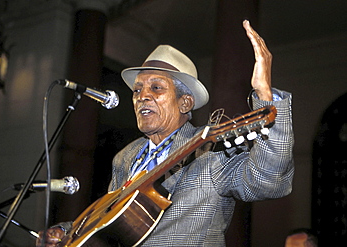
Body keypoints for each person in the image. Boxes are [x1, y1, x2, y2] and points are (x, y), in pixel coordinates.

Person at [37, 20, 294, 246]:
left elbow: (267, 180)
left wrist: (265, 96)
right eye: (137, 91)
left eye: (156, 88)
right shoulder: (125, 157)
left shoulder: (210, 154)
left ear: (185, 103)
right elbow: (109, 227)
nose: (142, 97)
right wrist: (66, 232)